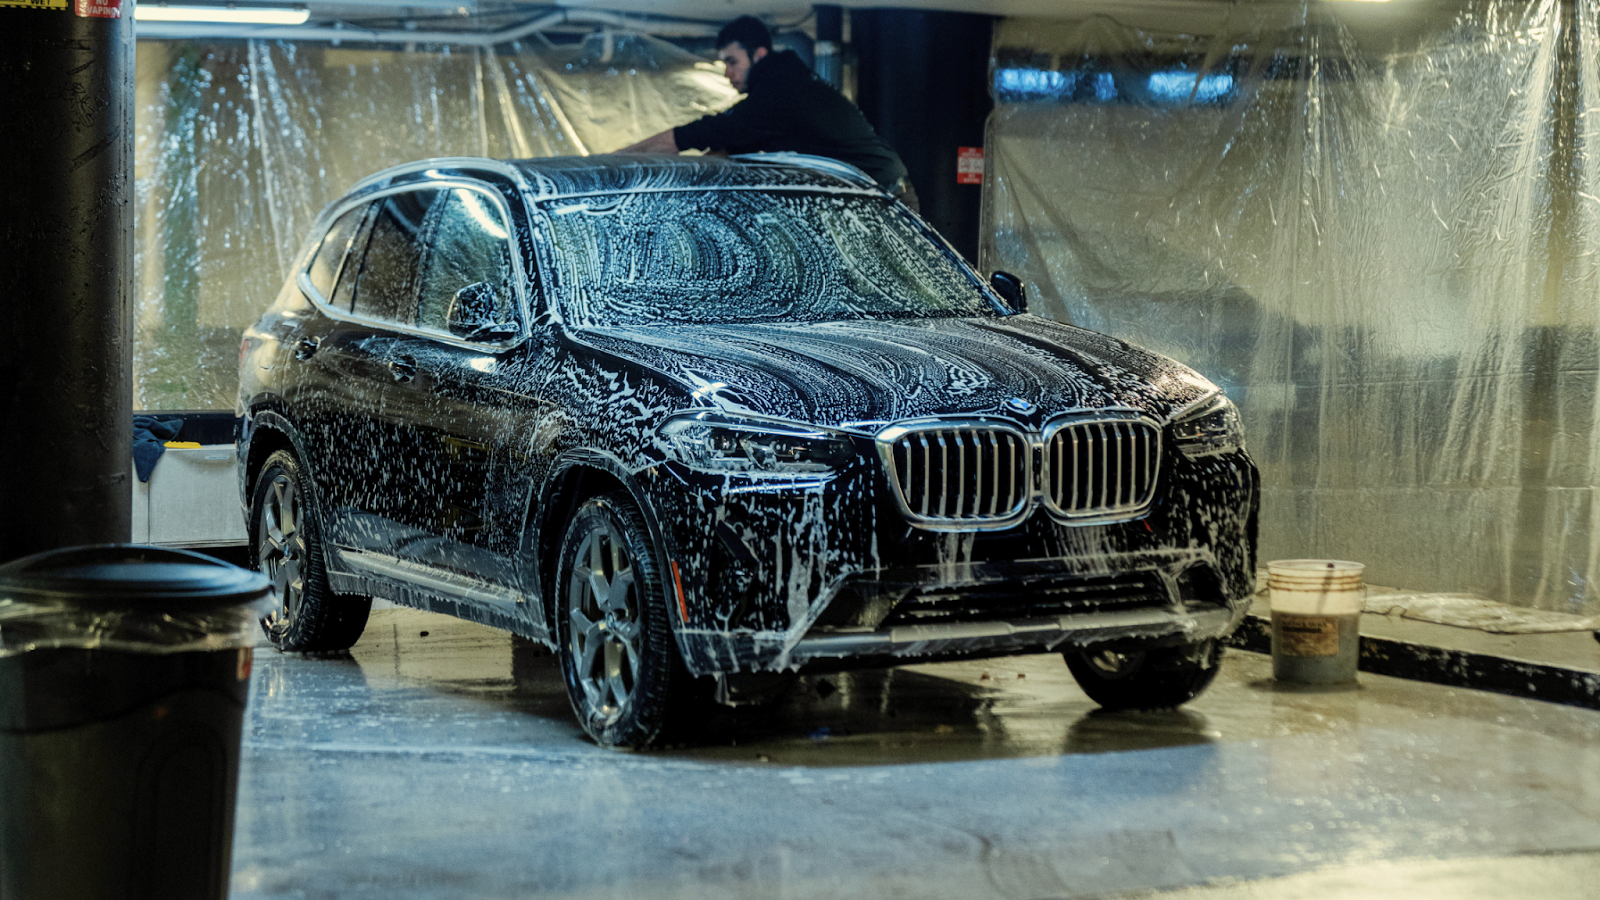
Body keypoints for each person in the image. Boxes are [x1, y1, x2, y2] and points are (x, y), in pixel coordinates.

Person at [614, 16, 919, 213]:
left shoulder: (777, 94)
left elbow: (691, 136)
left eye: (732, 61)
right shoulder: (783, 84)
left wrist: (611, 161)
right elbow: (722, 150)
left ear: (759, 54)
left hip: (885, 199)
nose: (726, 72)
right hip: (873, 194)